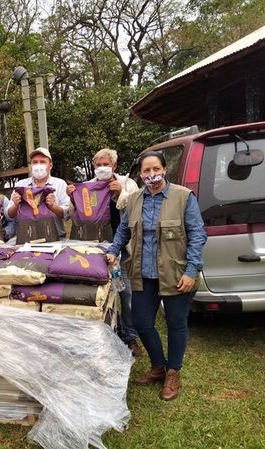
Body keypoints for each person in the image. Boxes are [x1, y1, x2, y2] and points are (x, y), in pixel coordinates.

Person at [106, 151, 207, 401]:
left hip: (175, 271)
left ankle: (173, 372)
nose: (151, 175)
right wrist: (112, 250)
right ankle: (158, 366)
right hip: (143, 272)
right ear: (140, 175)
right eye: (146, 171)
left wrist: (192, 271)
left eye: (155, 169)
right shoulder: (134, 200)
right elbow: (123, 230)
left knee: (176, 323)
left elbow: (197, 234)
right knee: (141, 323)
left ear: (164, 169)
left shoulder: (183, 197)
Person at [66, 148, 142, 356]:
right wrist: (74, 199)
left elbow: (137, 209)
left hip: (121, 247)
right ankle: (98, 333)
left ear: (114, 166)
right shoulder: (88, 187)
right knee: (94, 290)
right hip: (94, 247)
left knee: (125, 292)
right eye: (98, 165)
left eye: (105, 164)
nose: (101, 168)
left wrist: (120, 193)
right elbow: (77, 217)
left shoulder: (128, 183)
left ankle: (130, 337)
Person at [7, 147, 70, 240]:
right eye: (35, 162)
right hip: (26, 238)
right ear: (31, 165)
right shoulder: (20, 185)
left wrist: (53, 207)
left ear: (50, 165)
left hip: (55, 238)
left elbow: (67, 215)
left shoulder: (60, 184)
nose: (38, 165)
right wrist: (15, 205)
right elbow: (9, 216)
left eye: (42, 162)